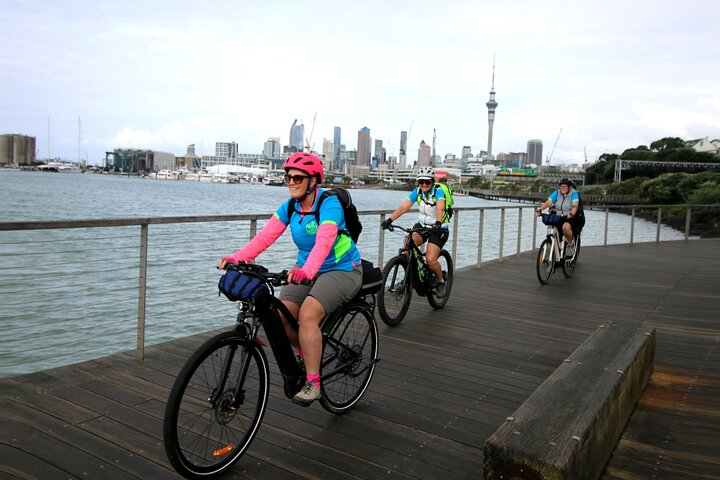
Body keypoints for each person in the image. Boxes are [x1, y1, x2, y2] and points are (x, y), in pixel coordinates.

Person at [218, 152, 363, 406]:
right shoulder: (290, 206)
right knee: (281, 317)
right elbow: (265, 237)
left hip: (343, 268)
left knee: (307, 315)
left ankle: (313, 383)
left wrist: (307, 271)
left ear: (313, 181)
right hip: (306, 267)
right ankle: (306, 352)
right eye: (288, 177)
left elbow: (325, 240)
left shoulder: (329, 204)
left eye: (298, 177)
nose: (291, 182)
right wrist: (237, 258)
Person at [380, 166, 449, 296]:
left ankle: (440, 281)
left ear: (432, 182)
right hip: (422, 226)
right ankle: (409, 276)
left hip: (439, 229)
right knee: (407, 244)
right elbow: (403, 208)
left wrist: (438, 223)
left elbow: (441, 208)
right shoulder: (417, 192)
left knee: (430, 259)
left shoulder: (438, 192)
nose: (424, 184)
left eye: (427, 182)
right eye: (421, 181)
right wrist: (389, 220)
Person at [536, 178, 585, 257]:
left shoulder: (574, 194)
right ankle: (556, 248)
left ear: (569, 187)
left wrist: (572, 213)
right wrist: (540, 209)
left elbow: (575, 205)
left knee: (565, 227)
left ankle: (570, 244)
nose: (563, 188)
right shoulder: (556, 193)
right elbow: (548, 202)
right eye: (561, 186)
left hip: (570, 217)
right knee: (554, 229)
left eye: (565, 186)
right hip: (559, 216)